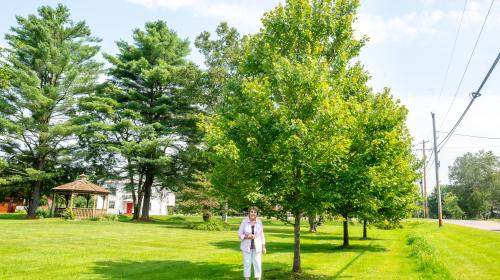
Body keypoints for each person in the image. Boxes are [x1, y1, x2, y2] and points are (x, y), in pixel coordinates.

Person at [238, 206, 266, 280]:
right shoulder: (244, 221)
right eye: (251, 212)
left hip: (257, 247)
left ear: (257, 214)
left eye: (255, 212)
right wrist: (247, 236)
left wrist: (263, 247)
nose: (253, 213)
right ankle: (247, 279)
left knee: (257, 263)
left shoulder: (259, 222)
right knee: (247, 263)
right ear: (249, 212)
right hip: (246, 247)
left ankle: (258, 278)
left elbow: (262, 235)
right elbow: (239, 235)